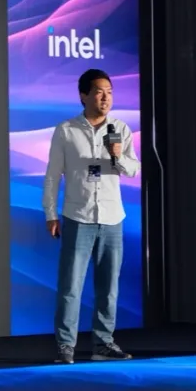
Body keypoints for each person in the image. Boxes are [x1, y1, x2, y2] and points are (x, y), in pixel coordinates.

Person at [43, 68, 141, 364]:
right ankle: (65, 346)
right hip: (78, 216)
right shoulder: (66, 130)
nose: (105, 98)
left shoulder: (120, 129)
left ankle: (103, 343)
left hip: (112, 217)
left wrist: (117, 156)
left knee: (108, 288)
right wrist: (50, 213)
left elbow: (133, 169)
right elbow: (53, 175)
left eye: (109, 92)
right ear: (83, 95)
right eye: (99, 92)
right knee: (71, 287)